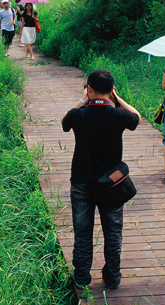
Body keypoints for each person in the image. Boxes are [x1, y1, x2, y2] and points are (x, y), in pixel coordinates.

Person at [61, 69, 142, 290]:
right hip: (111, 185)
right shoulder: (118, 115)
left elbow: (64, 122)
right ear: (112, 90)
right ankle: (113, 277)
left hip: (81, 182)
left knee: (83, 233)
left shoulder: (80, 114)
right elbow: (137, 117)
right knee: (113, 233)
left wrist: (83, 100)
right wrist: (116, 98)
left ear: (89, 89)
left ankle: (82, 278)